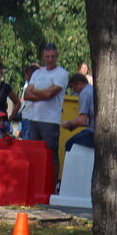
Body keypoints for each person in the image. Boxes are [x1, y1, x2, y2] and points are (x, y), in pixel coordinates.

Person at [23, 43, 70, 174]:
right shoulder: (37, 73)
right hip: (34, 118)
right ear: (43, 57)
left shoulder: (62, 74)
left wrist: (36, 92)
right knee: (33, 154)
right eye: (47, 56)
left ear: (57, 57)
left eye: (52, 56)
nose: (50, 59)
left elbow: (50, 94)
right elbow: (26, 95)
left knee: (51, 155)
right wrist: (43, 93)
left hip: (50, 120)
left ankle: (52, 185)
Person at [0, 59, 21, 137]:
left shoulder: (5, 87)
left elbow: (17, 103)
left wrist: (11, 117)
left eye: (1, 74)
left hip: (2, 124)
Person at [63, 72, 95, 151]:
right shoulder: (92, 89)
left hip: (93, 132)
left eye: (73, 88)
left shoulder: (84, 93)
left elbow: (82, 121)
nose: (75, 92)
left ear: (78, 84)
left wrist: (68, 123)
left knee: (70, 144)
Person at [17, 63, 39, 139]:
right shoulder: (32, 86)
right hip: (27, 117)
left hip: (30, 117)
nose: (25, 77)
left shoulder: (33, 87)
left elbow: (26, 98)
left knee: (27, 141)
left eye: (26, 75)